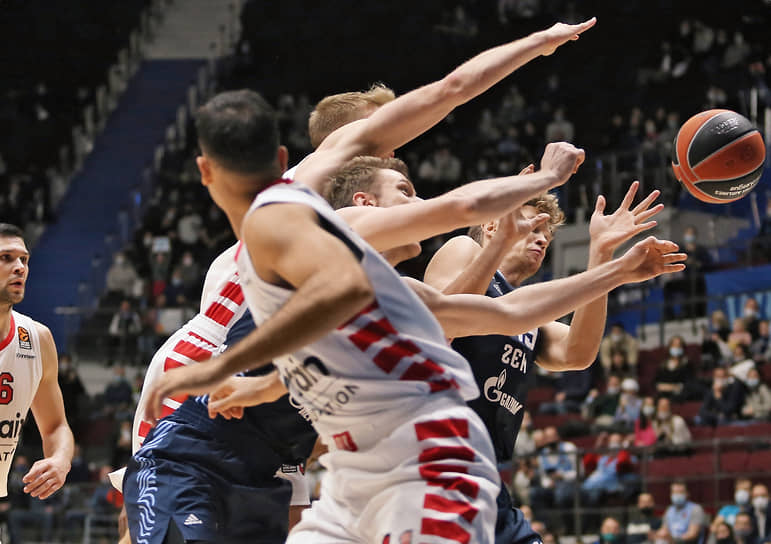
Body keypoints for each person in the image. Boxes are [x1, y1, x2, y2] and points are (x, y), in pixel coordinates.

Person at [0, 223, 73, 501]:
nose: (19, 267)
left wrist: (60, 460)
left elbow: (56, 426)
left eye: (24, 259)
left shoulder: (37, 340)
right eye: (6, 258)